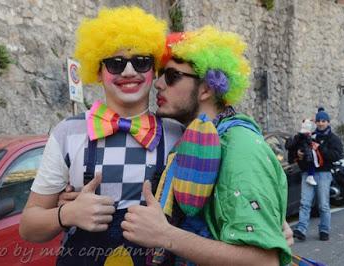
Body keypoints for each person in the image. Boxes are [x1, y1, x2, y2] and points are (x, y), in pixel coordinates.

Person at [19, 6, 184, 265]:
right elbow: (28, 226)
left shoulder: (178, 135)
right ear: (97, 71)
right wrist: (67, 214)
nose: (129, 72)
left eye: (141, 61)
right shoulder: (68, 133)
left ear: (154, 70)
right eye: (115, 63)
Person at [120, 26, 292, 265]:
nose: (158, 84)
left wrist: (165, 235)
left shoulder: (239, 147)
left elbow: (264, 261)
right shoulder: (190, 138)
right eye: (161, 75)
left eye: (172, 76)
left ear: (207, 88)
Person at [292, 107, 343, 241]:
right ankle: (301, 230)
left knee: (323, 205)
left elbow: (336, 155)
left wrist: (320, 148)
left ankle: (324, 230)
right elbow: (298, 150)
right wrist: (299, 153)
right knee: (304, 203)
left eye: (323, 121)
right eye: (319, 121)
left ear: (328, 122)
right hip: (307, 173)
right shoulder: (310, 136)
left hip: (324, 174)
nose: (320, 123)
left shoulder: (334, 139)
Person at [286, 119, 320, 186]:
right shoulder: (306, 136)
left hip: (303, 161)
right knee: (312, 164)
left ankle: (310, 176)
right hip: (306, 157)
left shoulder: (298, 137)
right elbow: (309, 143)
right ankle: (310, 176)